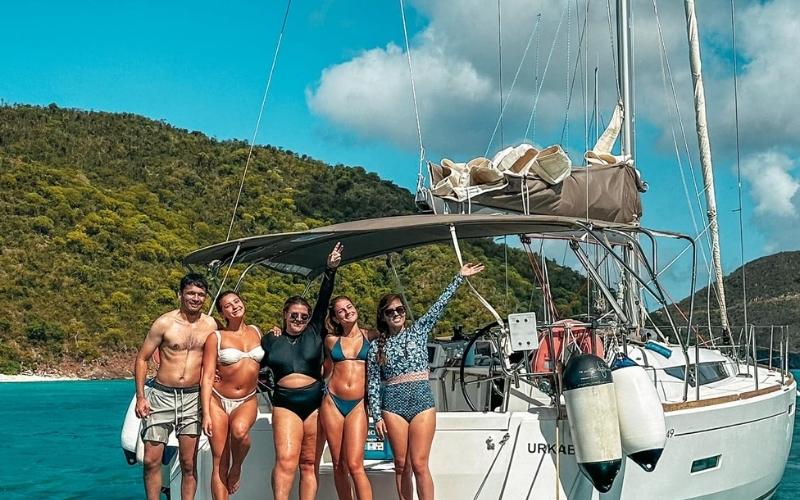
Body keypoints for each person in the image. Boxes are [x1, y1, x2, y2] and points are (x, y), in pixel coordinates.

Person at [367, 262, 485, 500]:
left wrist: (459, 278)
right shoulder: (375, 347)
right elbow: (372, 383)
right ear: (384, 316)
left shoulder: (419, 331)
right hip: (393, 406)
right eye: (391, 312)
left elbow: (438, 307)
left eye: (400, 310)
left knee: (420, 464)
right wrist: (376, 416)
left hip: (421, 402)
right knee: (401, 465)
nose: (397, 315)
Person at [261, 242, 343, 500]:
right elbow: (244, 361)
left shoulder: (315, 331)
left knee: (309, 465)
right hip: (285, 404)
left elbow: (324, 298)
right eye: (294, 315)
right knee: (286, 461)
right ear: (284, 315)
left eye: (303, 316)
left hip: (315, 403)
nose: (299, 320)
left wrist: (330, 270)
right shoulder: (270, 339)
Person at [134, 273, 218, 500]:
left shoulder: (210, 324)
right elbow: (142, 358)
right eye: (191, 293)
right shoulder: (164, 323)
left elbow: (222, 351)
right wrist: (141, 397)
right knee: (152, 459)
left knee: (188, 462)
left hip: (193, 398)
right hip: (162, 395)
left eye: (201, 294)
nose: (196, 298)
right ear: (180, 294)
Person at [200, 291, 264, 498]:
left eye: (236, 301)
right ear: (223, 312)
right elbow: (208, 375)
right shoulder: (216, 338)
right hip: (217, 401)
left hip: (246, 399)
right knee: (220, 459)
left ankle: (237, 467)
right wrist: (206, 414)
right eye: (228, 305)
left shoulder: (257, 332)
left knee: (239, 432)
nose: (234, 306)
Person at [320, 296, 378, 500]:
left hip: (358, 404)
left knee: (355, 464)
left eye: (349, 307)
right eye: (341, 311)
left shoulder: (372, 335)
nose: (347, 312)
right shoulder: (330, 340)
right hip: (332, 401)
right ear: (335, 318)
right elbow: (324, 369)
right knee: (338, 463)